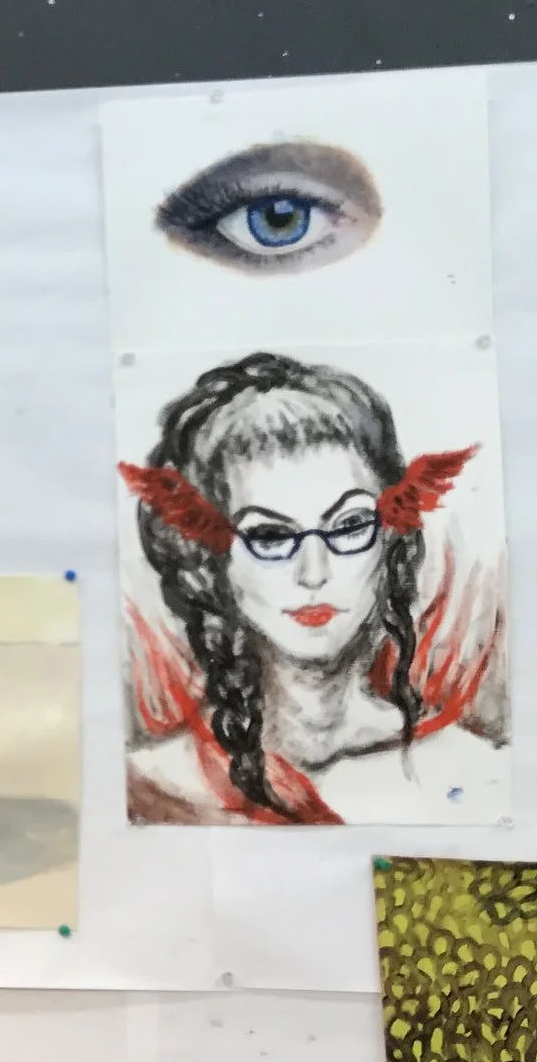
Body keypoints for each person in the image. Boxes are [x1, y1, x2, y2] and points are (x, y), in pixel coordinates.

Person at [118, 350, 505, 825]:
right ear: (208, 555)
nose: (314, 572)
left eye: (349, 526)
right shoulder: (154, 786)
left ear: (389, 537)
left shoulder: (472, 772)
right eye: (270, 536)